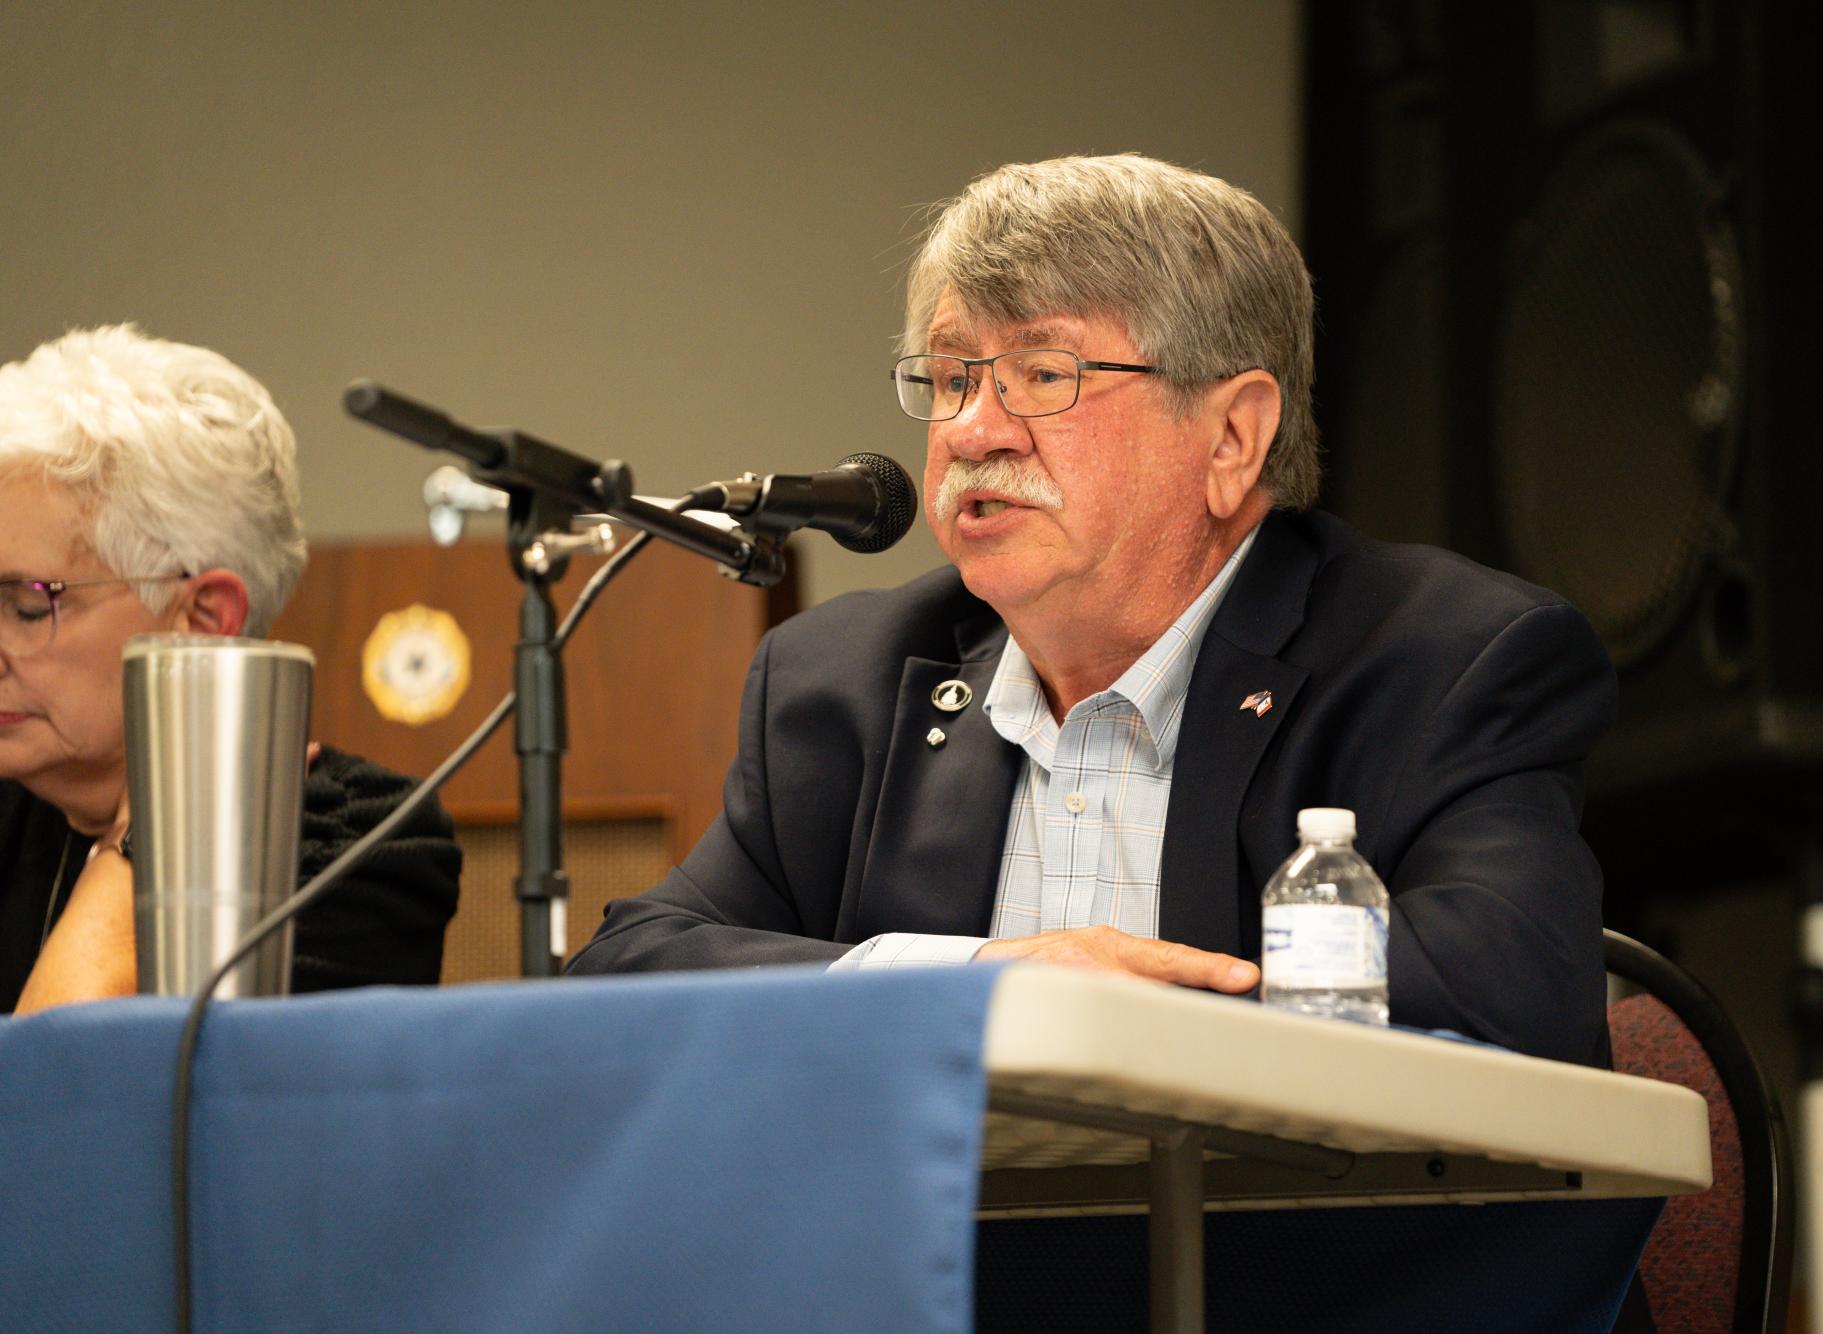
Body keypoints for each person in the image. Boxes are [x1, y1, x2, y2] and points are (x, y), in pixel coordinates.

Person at [569, 154, 1615, 1068]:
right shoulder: (841, 682)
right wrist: (984, 980)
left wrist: (1127, 1025)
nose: (975, 426)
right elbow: (627, 971)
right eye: (948, 376)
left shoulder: (1445, 661)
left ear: (1232, 437)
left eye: (1041, 372)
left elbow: (1508, 993)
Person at [1, 325, 461, 1015]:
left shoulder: (357, 842)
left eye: (26, 605)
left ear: (204, 618)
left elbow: (64, 1099)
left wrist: (140, 843)